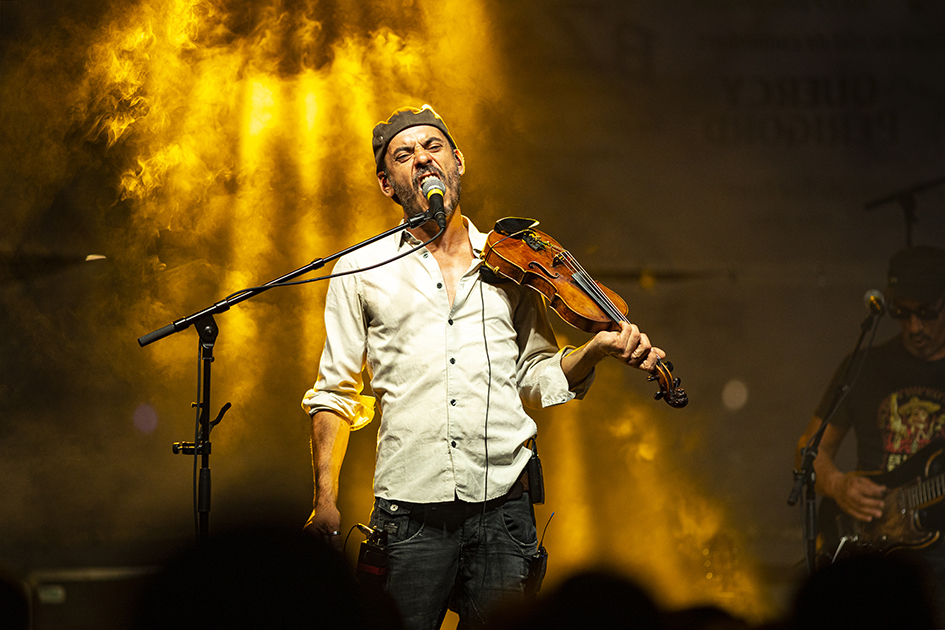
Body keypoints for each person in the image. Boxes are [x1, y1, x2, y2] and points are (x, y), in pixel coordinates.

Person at [301, 105, 666, 629]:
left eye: (433, 147)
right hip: (409, 512)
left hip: (504, 509)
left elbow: (536, 372)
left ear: (458, 161)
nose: (422, 160)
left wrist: (596, 350)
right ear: (387, 183)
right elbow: (334, 390)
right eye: (404, 155)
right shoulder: (361, 270)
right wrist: (325, 500)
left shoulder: (512, 262)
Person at [796, 245, 945, 617]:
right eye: (902, 313)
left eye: (926, 313)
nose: (914, 327)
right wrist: (838, 486)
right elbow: (809, 450)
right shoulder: (866, 365)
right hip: (873, 553)